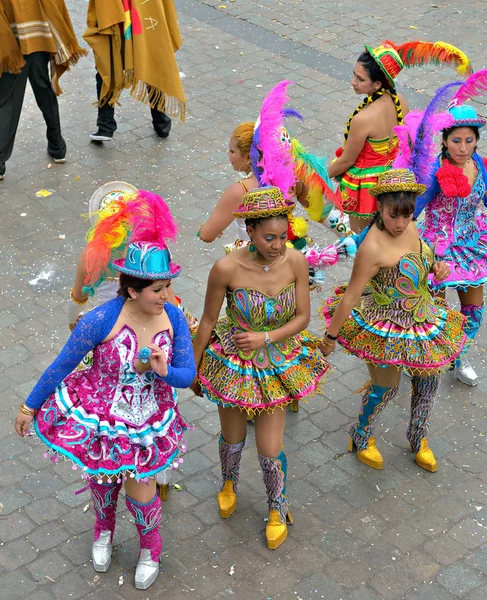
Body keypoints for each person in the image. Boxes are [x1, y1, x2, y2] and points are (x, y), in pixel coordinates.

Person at [15, 216, 196, 590]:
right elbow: (62, 364)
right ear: (132, 290)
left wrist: (165, 371)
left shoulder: (174, 317)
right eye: (157, 290)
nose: (166, 297)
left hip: (149, 419)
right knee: (102, 481)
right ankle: (103, 530)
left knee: (141, 490)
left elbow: (187, 376)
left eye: (167, 287)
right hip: (102, 417)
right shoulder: (98, 320)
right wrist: (29, 407)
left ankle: (150, 550)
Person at [191, 185, 330, 550]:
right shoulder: (225, 268)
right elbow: (207, 320)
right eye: (269, 237)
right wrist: (191, 367)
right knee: (233, 437)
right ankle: (228, 483)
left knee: (270, 447)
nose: (277, 244)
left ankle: (277, 506)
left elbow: (303, 318)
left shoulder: (296, 262)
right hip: (233, 364)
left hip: (277, 363)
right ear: (249, 231)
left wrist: (265, 338)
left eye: (284, 236)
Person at [320, 168, 469, 473]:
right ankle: (361, 435)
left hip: (422, 318)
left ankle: (418, 439)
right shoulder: (372, 248)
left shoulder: (411, 227)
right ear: (380, 208)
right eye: (393, 216)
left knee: (429, 381)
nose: (400, 223)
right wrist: (330, 338)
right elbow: (350, 296)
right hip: (384, 325)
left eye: (407, 214)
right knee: (385, 387)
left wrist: (437, 267)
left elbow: (422, 262)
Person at [415, 103, 487, 386]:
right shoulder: (434, 171)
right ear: (444, 140)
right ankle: (427, 358)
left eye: (469, 140)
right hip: (438, 249)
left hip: (473, 243)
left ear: (476, 141)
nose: (463, 147)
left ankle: (457, 357)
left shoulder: (477, 163)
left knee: (473, 312)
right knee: (435, 315)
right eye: (456, 141)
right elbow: (415, 209)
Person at [328, 40, 472, 233]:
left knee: (362, 241)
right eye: (354, 75)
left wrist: (318, 175)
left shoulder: (362, 119)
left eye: (360, 79)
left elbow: (346, 161)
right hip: (394, 183)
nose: (353, 82)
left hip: (366, 191)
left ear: (377, 83)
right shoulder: (400, 102)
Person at [197, 81, 349, 247]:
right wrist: (349, 236)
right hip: (288, 257)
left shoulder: (241, 191)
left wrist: (205, 228)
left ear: (249, 157)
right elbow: (322, 213)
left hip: (255, 263)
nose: (229, 155)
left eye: (232, 151)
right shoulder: (294, 180)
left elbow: (207, 235)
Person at [0, 0, 86, 179]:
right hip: (36, 38)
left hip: (9, 43)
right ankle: (57, 147)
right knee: (43, 90)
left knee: (6, 101)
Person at [83, 0, 186, 141]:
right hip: (142, 20)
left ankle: (105, 127)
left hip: (118, 22)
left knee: (109, 65)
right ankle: (161, 124)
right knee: (151, 63)